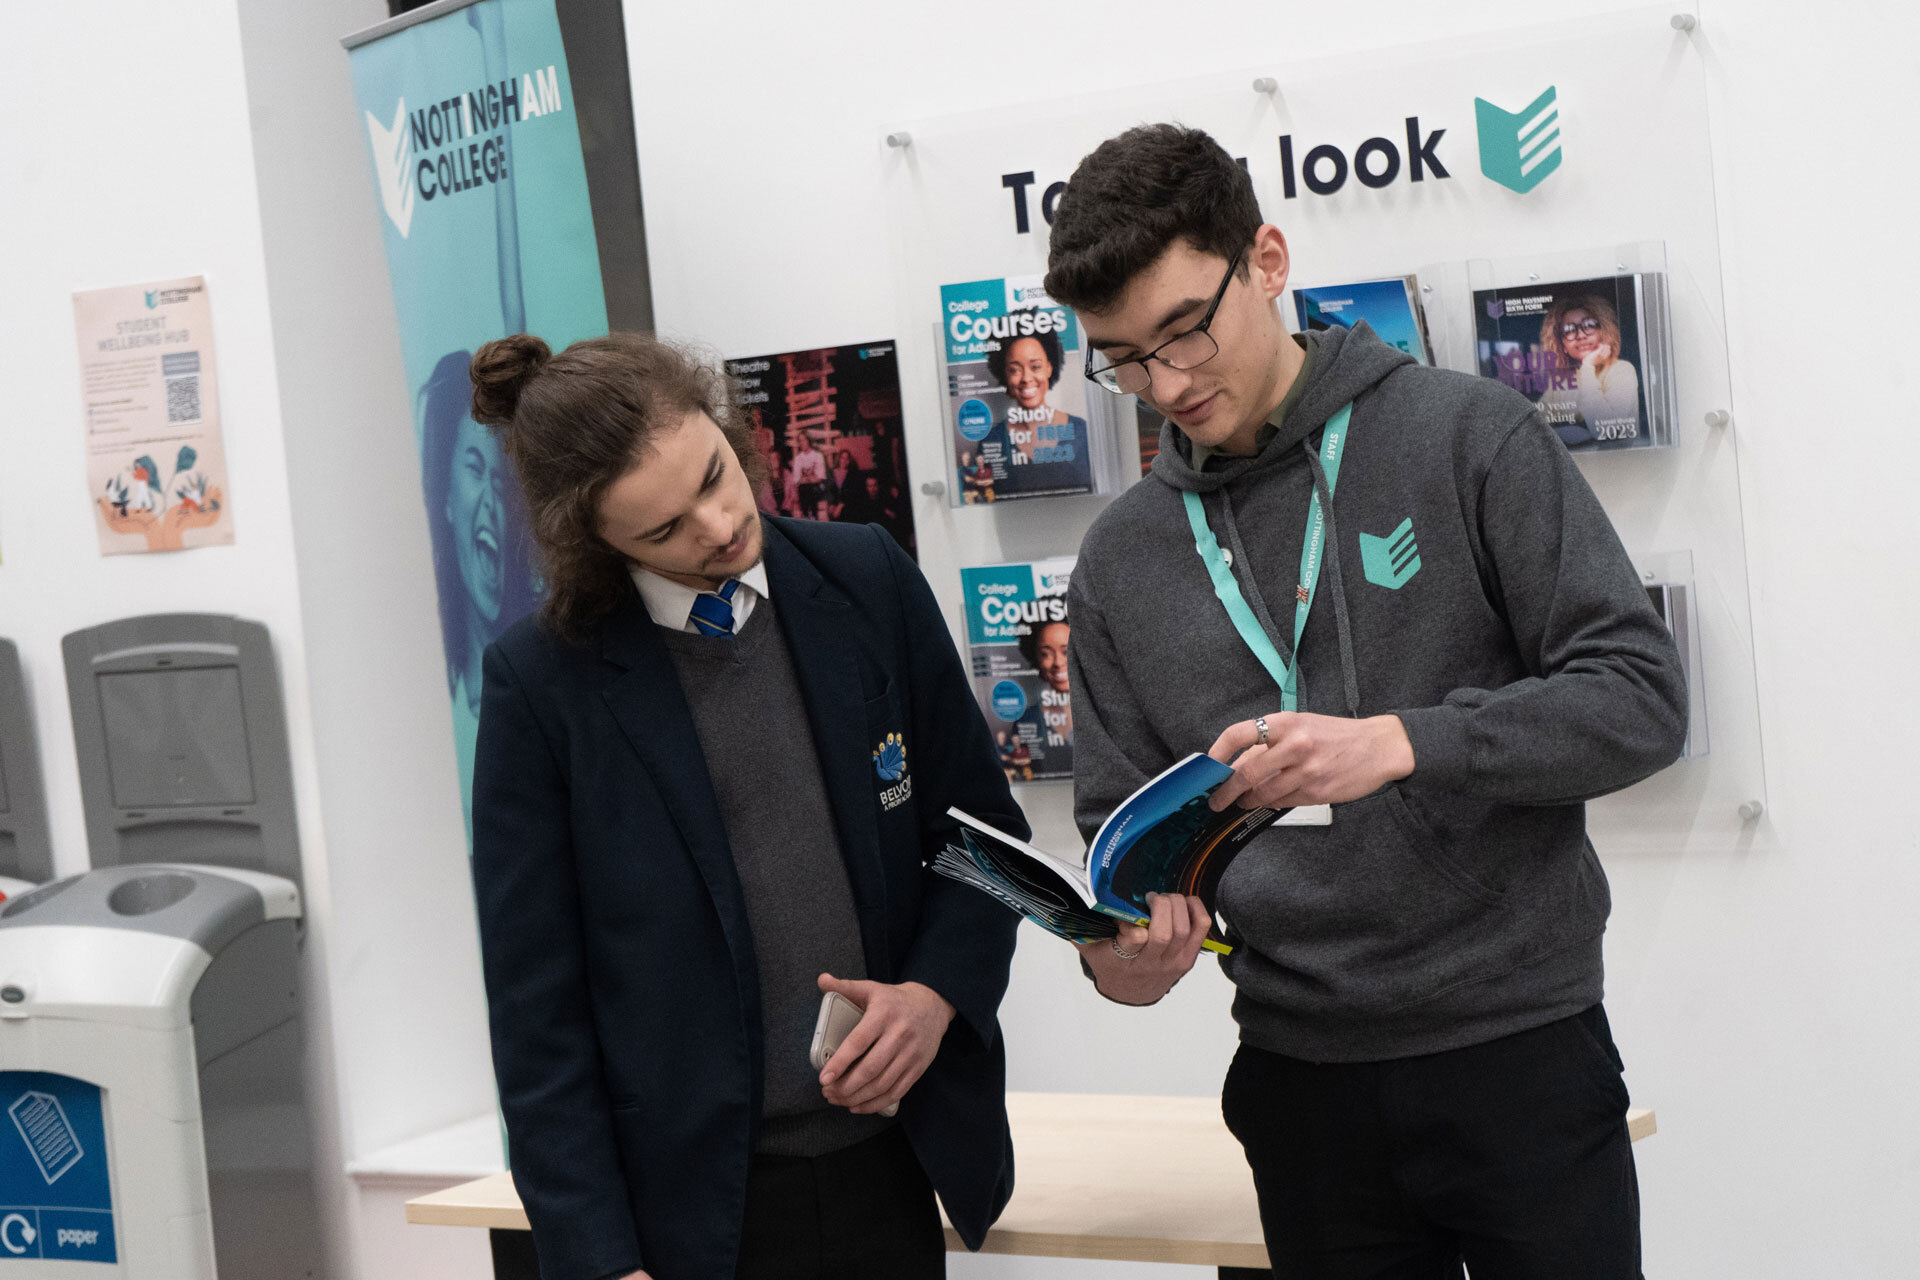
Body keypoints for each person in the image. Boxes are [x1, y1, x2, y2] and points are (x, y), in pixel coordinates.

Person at [1045, 124, 1687, 1279]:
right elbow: (1117, 829)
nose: (1168, 383)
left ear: (1271, 259)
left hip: (1518, 1048)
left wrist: (1407, 741)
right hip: (1300, 1085)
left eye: (1188, 328)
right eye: (1124, 358)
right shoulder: (1121, 559)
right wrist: (1123, 958)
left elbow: (1638, 696)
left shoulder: (1464, 434)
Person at [464, 332, 1027, 1280]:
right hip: (688, 1214)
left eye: (716, 477)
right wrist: (600, 1259)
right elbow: (536, 1010)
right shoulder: (542, 686)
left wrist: (935, 998)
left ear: (727, 429)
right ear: (596, 541)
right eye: (664, 530)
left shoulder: (868, 579)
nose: (721, 525)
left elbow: (982, 840)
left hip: (887, 1166)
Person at [417, 348, 540, 826]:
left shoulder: (553, 665)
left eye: (502, 480)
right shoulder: (434, 705)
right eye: (472, 469)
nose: (491, 500)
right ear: (446, 498)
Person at [1537, 294, 1642, 448]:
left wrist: (1588, 367)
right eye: (1569, 329)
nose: (1580, 335)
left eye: (1589, 325)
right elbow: (1536, 424)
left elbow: (1604, 430)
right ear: (1562, 343)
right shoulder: (1563, 379)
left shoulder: (1621, 370)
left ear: (1603, 332)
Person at [985, 330, 1088, 467]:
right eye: (1015, 370)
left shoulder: (1080, 430)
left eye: (1036, 367)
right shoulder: (993, 440)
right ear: (1005, 375)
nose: (1026, 378)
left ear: (1049, 368)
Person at [1016, 618, 1072, 746]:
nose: (1058, 662)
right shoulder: (1028, 720)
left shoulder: (1105, 711)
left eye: (1066, 651)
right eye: (1045, 654)